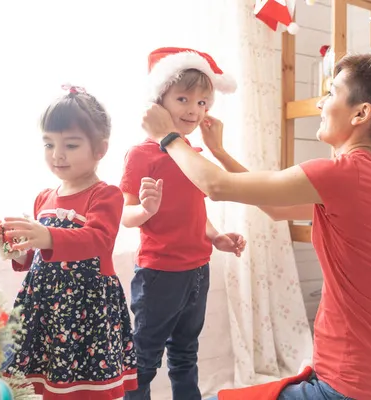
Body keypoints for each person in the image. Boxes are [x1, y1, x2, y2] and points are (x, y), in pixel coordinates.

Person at [140, 52, 371, 400]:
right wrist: (219, 152)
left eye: (331, 94)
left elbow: (215, 187)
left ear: (361, 113)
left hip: (351, 385)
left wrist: (168, 136)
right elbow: (275, 207)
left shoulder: (341, 174)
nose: (322, 104)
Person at [0, 86, 137, 399]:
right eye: (48, 144)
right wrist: (14, 245)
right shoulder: (44, 197)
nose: (57, 154)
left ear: (100, 149)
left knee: (86, 389)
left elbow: (97, 240)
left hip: (86, 310)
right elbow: (35, 255)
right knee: (46, 383)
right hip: (45, 307)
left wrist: (47, 235)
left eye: (70, 145)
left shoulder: (104, 194)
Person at [119, 47, 246, 400]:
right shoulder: (141, 154)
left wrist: (216, 236)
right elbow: (126, 217)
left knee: (185, 353)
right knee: (143, 359)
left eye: (203, 102)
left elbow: (195, 211)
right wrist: (145, 209)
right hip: (160, 273)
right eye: (183, 98)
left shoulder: (192, 156)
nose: (194, 109)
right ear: (158, 102)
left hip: (197, 270)